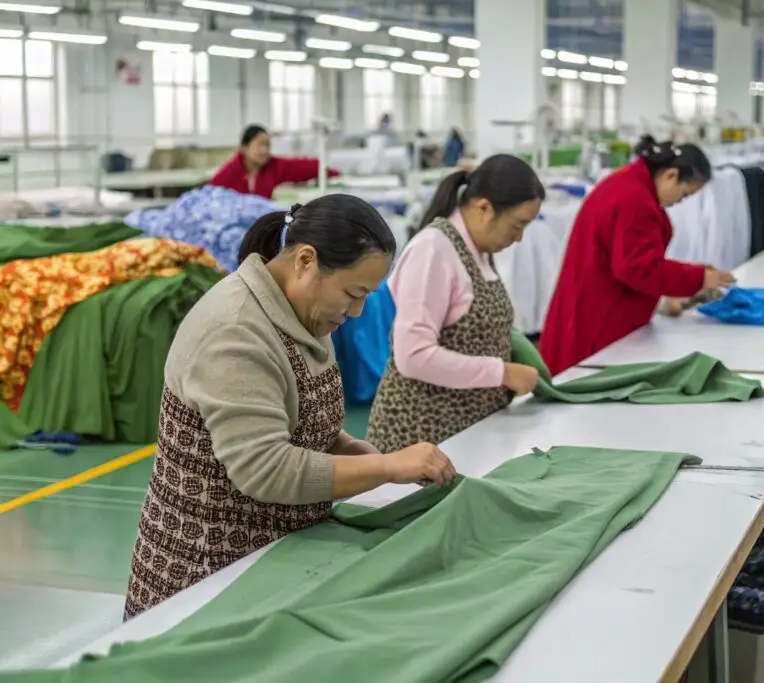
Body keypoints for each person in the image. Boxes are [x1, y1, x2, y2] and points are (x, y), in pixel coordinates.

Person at [123, 194, 456, 619]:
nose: (356, 311)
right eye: (353, 293)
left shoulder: (302, 311)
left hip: (272, 556)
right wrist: (388, 468)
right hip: (208, 573)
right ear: (305, 260)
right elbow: (266, 468)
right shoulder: (236, 331)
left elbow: (295, 419)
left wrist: (353, 451)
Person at [367, 155, 545, 453]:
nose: (519, 239)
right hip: (423, 436)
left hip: (469, 430)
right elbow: (413, 356)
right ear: (484, 208)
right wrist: (502, 372)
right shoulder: (433, 250)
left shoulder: (478, 249)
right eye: (517, 225)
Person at [539, 136, 735, 376]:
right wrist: (699, 277)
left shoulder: (629, 183)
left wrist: (664, 301)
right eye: (683, 195)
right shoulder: (635, 199)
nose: (680, 202)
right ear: (671, 175)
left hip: (596, 304)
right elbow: (638, 268)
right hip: (598, 320)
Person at [208, 124, 339, 199]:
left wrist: (329, 171)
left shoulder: (274, 166)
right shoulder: (229, 173)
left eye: (267, 145)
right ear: (244, 148)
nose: (265, 150)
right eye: (260, 145)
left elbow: (303, 167)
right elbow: (208, 196)